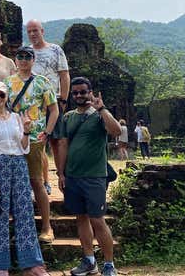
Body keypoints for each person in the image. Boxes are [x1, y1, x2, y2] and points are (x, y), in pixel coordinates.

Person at [0, 81, 49, 276]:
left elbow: (24, 146)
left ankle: (32, 263)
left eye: (1, 95)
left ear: (7, 97)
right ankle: (2, 265)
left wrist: (27, 130)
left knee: (25, 213)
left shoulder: (16, 118)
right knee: (0, 214)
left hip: (19, 165)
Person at [57, 77, 122, 276]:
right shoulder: (68, 117)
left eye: (83, 92)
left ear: (90, 92)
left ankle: (109, 264)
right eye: (75, 93)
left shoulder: (99, 115)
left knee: (97, 220)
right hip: (73, 176)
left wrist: (102, 109)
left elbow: (116, 131)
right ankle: (89, 260)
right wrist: (61, 173)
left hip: (94, 176)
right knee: (81, 218)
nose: (79, 95)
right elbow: (63, 145)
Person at [4, 45, 59, 244]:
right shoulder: (8, 83)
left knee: (36, 181)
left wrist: (48, 131)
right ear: (15, 59)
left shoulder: (42, 82)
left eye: (28, 56)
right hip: (13, 139)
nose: (24, 60)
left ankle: (47, 227)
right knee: (15, 185)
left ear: (33, 60)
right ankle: (20, 227)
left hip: (35, 138)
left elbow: (54, 110)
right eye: (20, 56)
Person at [26, 19, 70, 196]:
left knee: (57, 140)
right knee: (38, 142)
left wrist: (64, 100)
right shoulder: (27, 52)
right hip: (34, 105)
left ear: (42, 31)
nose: (32, 34)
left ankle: (62, 176)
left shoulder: (55, 50)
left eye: (35, 30)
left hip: (54, 102)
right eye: (29, 31)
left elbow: (64, 75)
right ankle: (42, 181)